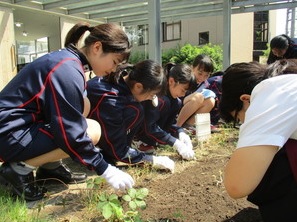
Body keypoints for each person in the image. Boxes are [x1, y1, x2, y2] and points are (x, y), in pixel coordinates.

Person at [0, 22, 135, 201]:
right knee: (91, 130)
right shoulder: (67, 69)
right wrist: (105, 169)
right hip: (8, 135)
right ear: (97, 47)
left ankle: (50, 166)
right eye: (115, 62)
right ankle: (17, 170)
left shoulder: (69, 61)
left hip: (15, 128)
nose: (113, 69)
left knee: (83, 104)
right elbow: (70, 131)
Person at [220, 60, 297, 221]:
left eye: (239, 118)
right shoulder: (287, 83)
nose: (243, 124)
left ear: (245, 99)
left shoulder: (270, 94)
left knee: (273, 175)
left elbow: (236, 186)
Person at [86, 60, 175, 172]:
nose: (150, 98)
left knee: (138, 109)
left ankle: (107, 153)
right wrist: (150, 160)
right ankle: (98, 153)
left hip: (98, 128)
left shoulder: (121, 81)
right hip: (84, 134)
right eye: (152, 95)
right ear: (138, 86)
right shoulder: (112, 99)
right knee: (135, 110)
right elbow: (119, 150)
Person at [135, 63, 196, 160]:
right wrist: (174, 142)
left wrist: (180, 132)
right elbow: (149, 127)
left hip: (153, 136)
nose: (183, 94)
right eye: (183, 90)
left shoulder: (176, 102)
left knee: (176, 103)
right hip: (139, 133)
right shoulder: (158, 98)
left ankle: (149, 142)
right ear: (171, 81)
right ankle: (141, 142)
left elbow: (170, 124)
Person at [176, 54, 216, 131]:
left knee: (211, 100)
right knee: (198, 97)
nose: (202, 78)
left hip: (188, 108)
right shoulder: (184, 77)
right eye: (200, 73)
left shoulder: (204, 84)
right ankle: (177, 127)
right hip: (177, 105)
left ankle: (187, 127)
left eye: (206, 75)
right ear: (192, 68)